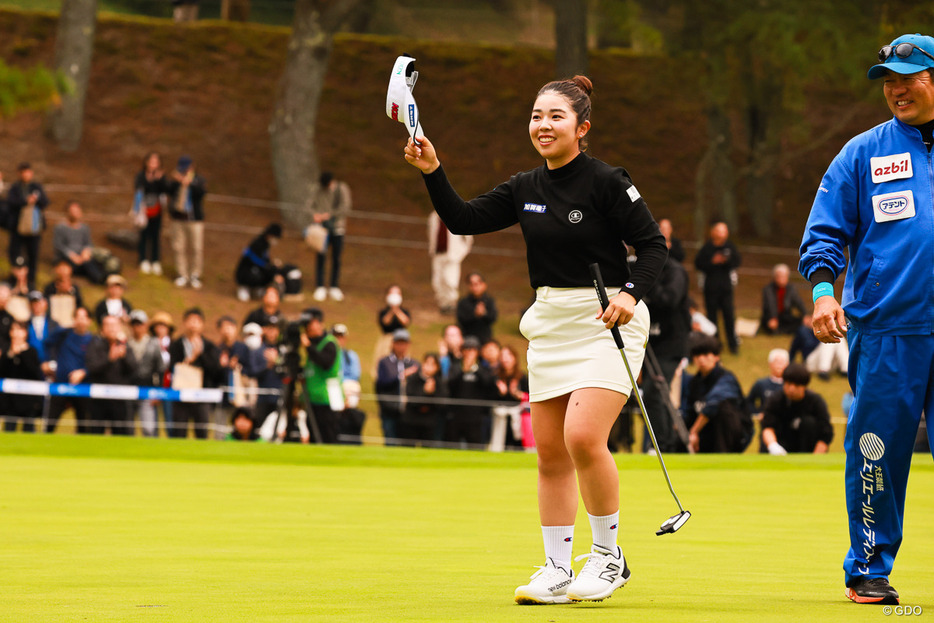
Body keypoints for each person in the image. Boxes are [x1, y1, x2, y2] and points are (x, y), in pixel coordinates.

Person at [404, 74, 667, 604]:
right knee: (549, 452)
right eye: (536, 117)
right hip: (550, 322)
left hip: (607, 317)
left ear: (582, 126)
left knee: (583, 437)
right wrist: (433, 171)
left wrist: (630, 296)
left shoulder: (608, 181)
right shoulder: (524, 187)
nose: (543, 125)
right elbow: (463, 220)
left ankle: (609, 560)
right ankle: (555, 567)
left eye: (556, 117)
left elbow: (653, 245)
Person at [798, 33, 934, 605]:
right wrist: (825, 293)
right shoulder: (863, 154)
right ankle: (870, 568)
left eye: (910, 76)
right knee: (875, 450)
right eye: (889, 80)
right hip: (887, 333)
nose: (897, 88)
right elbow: (824, 235)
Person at [641, 241, 691, 453]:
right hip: (650, 341)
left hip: (671, 342)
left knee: (656, 391)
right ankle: (663, 442)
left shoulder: (674, 271)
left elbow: (670, 299)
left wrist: (648, 282)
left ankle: (663, 444)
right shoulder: (642, 268)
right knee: (652, 393)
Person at [683, 335, 752, 453]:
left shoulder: (727, 379)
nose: (701, 359)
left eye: (705, 355)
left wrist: (694, 431)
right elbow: (689, 410)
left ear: (716, 357)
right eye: (697, 355)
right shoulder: (694, 382)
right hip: (705, 435)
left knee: (723, 408)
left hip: (733, 435)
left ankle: (723, 456)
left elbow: (714, 403)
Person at [168, 307, 221, 439]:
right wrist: (190, 359)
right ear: (184, 323)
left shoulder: (209, 346)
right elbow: (171, 367)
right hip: (180, 394)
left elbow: (214, 369)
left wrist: (200, 355)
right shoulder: (176, 344)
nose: (193, 324)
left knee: (202, 431)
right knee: (179, 431)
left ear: (202, 324)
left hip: (202, 394)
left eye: (197, 321)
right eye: (190, 321)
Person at [761, 363, 834, 455]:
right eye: (789, 384)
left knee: (809, 422)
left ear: (804, 386)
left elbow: (825, 434)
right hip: (780, 449)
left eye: (796, 385)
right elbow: (767, 427)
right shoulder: (775, 400)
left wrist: (815, 459)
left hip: (807, 450)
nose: (792, 389)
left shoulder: (816, 402)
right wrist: (773, 446)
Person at [85, 315, 138, 435]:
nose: (111, 328)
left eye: (114, 325)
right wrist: (109, 359)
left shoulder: (125, 346)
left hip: (120, 399)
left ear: (120, 327)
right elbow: (92, 368)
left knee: (122, 434)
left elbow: (134, 369)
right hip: (98, 399)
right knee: (95, 434)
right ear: (102, 329)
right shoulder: (95, 345)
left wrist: (124, 357)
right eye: (107, 325)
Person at [44, 306, 94, 433]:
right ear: (74, 319)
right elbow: (47, 343)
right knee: (49, 425)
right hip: (60, 386)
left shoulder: (93, 340)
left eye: (84, 318)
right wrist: (46, 362)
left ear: (89, 321)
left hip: (82, 388)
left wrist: (83, 372)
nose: (81, 321)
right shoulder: (64, 334)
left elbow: (95, 363)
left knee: (84, 427)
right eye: (78, 317)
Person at [694, 221, 741, 353]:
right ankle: (714, 344)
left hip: (726, 289)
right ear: (713, 232)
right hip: (711, 288)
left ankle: (733, 345)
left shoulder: (730, 246)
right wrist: (712, 262)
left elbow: (737, 261)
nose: (723, 233)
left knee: (729, 316)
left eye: (725, 230)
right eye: (720, 230)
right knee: (712, 317)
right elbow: (698, 264)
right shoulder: (707, 248)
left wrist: (726, 261)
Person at [445, 335, 499, 446]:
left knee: (475, 447)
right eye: (467, 349)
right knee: (452, 447)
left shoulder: (484, 368)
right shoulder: (455, 367)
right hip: (456, 415)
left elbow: (488, 384)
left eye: (473, 349)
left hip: (476, 417)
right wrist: (463, 370)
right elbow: (449, 385)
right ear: (462, 351)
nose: (470, 352)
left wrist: (474, 368)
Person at [309, 171, 352, 302]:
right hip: (322, 230)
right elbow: (310, 205)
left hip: (337, 228)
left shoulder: (341, 189)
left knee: (336, 258)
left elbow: (345, 207)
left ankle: (334, 286)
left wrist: (329, 215)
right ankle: (320, 286)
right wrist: (316, 215)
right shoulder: (317, 189)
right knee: (321, 257)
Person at [5, 162, 49, 288]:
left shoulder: (36, 187)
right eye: (23, 172)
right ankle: (15, 278)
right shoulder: (15, 188)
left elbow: (45, 201)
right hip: (17, 227)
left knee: (33, 255)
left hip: (34, 228)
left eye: (27, 172)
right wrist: (25, 201)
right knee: (15, 254)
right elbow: (10, 203)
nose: (25, 175)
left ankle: (31, 281)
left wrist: (36, 200)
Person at [302, 307, 342, 444]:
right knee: (313, 432)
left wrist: (308, 347)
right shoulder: (313, 344)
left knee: (327, 434)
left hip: (327, 398)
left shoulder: (329, 343)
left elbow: (325, 363)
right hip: (313, 398)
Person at [166, 155, 207, 290]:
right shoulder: (175, 180)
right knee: (179, 247)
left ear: (192, 167)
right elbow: (167, 190)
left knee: (197, 248)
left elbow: (202, 193)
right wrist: (176, 181)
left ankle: (195, 275)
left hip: (194, 220)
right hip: (178, 219)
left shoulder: (198, 180)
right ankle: (182, 274)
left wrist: (190, 184)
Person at [375, 328, 419, 445]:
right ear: (393, 344)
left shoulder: (414, 364)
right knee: (391, 441)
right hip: (389, 410)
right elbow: (381, 383)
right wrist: (401, 376)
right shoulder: (384, 362)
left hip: (409, 413)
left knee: (407, 444)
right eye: (399, 343)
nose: (401, 346)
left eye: (404, 343)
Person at [127, 310, 165, 437]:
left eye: (140, 324)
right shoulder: (126, 343)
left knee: (149, 429)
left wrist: (158, 392)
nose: (137, 327)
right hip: (128, 390)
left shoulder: (153, 344)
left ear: (146, 325)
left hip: (147, 390)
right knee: (127, 428)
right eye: (134, 324)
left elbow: (160, 369)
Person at [0, 320, 43, 432]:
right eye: (13, 329)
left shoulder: (31, 351)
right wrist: (10, 355)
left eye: (19, 330)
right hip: (10, 401)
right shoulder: (6, 351)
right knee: (9, 429)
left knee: (28, 429)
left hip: (28, 400)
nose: (15, 333)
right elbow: (3, 372)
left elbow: (34, 372)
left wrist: (22, 353)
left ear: (25, 333)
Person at [428, 211, 473, 314]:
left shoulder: (454, 213)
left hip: (452, 255)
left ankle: (452, 304)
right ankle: (443, 305)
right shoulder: (433, 217)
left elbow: (468, 237)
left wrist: (462, 251)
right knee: (437, 281)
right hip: (438, 254)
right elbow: (431, 233)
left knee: (450, 280)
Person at [131, 152, 167, 275]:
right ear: (146, 162)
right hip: (143, 211)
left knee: (155, 235)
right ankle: (143, 260)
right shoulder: (141, 176)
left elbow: (165, 189)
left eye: (156, 162)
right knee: (143, 235)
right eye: (151, 161)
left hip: (156, 210)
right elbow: (138, 189)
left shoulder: (161, 176)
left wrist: (158, 180)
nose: (153, 164)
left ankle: (155, 260)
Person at [402, 352, 447, 445]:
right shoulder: (414, 378)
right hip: (411, 421)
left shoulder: (439, 382)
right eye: (427, 363)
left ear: (437, 367)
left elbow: (442, 403)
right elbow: (411, 400)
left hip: (430, 422)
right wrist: (425, 392)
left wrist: (431, 393)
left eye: (433, 364)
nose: (429, 367)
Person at [235, 224, 284, 301]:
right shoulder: (257, 244)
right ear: (270, 235)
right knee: (259, 273)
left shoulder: (266, 245)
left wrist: (274, 269)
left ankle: (259, 288)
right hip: (246, 271)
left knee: (271, 271)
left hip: (256, 269)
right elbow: (256, 262)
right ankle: (244, 287)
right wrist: (271, 271)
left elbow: (266, 262)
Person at [760, 263, 806, 335]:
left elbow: (798, 302)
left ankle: (783, 331)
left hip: (786, 317)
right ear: (775, 277)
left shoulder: (791, 289)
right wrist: (773, 317)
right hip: (771, 317)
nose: (782, 279)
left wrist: (805, 314)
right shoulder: (768, 289)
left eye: (784, 276)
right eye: (779, 276)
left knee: (801, 322)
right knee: (772, 326)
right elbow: (770, 305)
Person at [456, 272, 498, 345]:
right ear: (468, 286)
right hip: (467, 340)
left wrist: (484, 314)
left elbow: (493, 318)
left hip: (485, 339)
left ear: (484, 285)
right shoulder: (463, 302)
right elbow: (461, 320)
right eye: (472, 284)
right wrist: (475, 314)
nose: (475, 287)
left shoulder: (489, 301)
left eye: (477, 284)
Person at [43, 259, 84, 325]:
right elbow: (45, 304)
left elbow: (79, 304)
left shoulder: (74, 288)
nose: (63, 270)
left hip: (70, 322)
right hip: (53, 322)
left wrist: (69, 290)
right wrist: (57, 291)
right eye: (60, 267)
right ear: (56, 269)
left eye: (65, 267)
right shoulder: (49, 288)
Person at [26, 290, 58, 364]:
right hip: (31, 366)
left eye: (38, 302)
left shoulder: (55, 325)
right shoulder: (25, 325)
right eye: (32, 303)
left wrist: (52, 364)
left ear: (45, 304)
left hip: (50, 367)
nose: (35, 305)